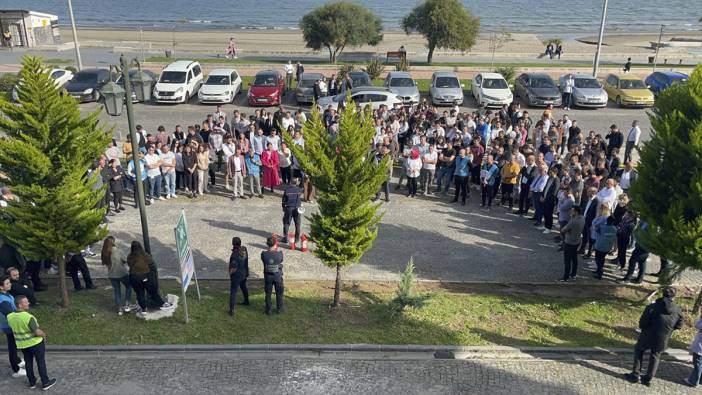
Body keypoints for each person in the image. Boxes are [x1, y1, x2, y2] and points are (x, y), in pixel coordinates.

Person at [625, 287, 684, 386]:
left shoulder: (653, 307)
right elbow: (679, 325)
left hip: (647, 335)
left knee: (639, 350)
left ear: (663, 294)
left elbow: (643, 322)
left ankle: (635, 374)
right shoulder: (678, 310)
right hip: (663, 338)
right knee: (655, 356)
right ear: (674, 297)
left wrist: (646, 328)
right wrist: (668, 330)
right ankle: (648, 378)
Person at [7, 295, 57, 390]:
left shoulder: (10, 317)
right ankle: (45, 382)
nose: (28, 303)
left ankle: (32, 382)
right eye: (26, 302)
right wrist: (43, 334)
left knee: (28, 363)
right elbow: (37, 332)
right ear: (20, 305)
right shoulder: (28, 317)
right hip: (36, 343)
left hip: (23, 345)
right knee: (40, 362)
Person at [127, 241, 172, 316]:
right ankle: (163, 304)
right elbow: (152, 265)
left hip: (134, 278)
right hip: (145, 277)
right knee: (153, 292)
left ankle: (144, 310)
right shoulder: (145, 255)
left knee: (139, 293)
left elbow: (129, 264)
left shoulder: (130, 256)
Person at [101, 236, 134, 315]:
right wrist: (118, 248)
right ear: (113, 242)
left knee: (117, 290)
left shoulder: (104, 252)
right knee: (129, 286)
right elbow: (126, 260)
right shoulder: (117, 251)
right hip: (121, 273)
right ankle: (127, 303)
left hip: (112, 275)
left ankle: (119, 308)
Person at [0, 275, 25, 378]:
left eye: (9, 282)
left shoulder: (6, 294)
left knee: (14, 344)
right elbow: (10, 314)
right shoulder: (2, 300)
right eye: (7, 283)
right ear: (1, 287)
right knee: (12, 347)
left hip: (11, 325)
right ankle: (16, 369)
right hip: (9, 326)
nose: (10, 284)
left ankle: (17, 361)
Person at [559, 206, 584, 282]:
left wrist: (565, 232)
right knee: (574, 258)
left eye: (572, 211)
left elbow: (563, 230)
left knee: (567, 260)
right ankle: (573, 274)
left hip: (569, 242)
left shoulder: (573, 221)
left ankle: (565, 277)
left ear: (576, 212)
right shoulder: (582, 218)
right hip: (577, 241)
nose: (570, 212)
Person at [261, 237, 284, 315]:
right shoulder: (280, 254)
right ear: (275, 244)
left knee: (268, 294)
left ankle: (268, 310)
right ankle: (279, 309)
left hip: (268, 277)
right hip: (277, 276)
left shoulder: (264, 254)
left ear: (267, 244)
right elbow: (281, 260)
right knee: (279, 293)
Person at [228, 237, 249, 315]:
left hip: (236, 275)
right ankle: (246, 301)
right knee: (243, 287)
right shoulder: (244, 249)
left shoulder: (234, 254)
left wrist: (230, 273)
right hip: (244, 273)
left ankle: (231, 309)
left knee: (233, 291)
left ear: (233, 244)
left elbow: (234, 267)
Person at [684, 309, 702, 387]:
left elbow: (697, 324)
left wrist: (700, 317)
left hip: (700, 347)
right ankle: (699, 379)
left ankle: (693, 381)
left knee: (697, 363)